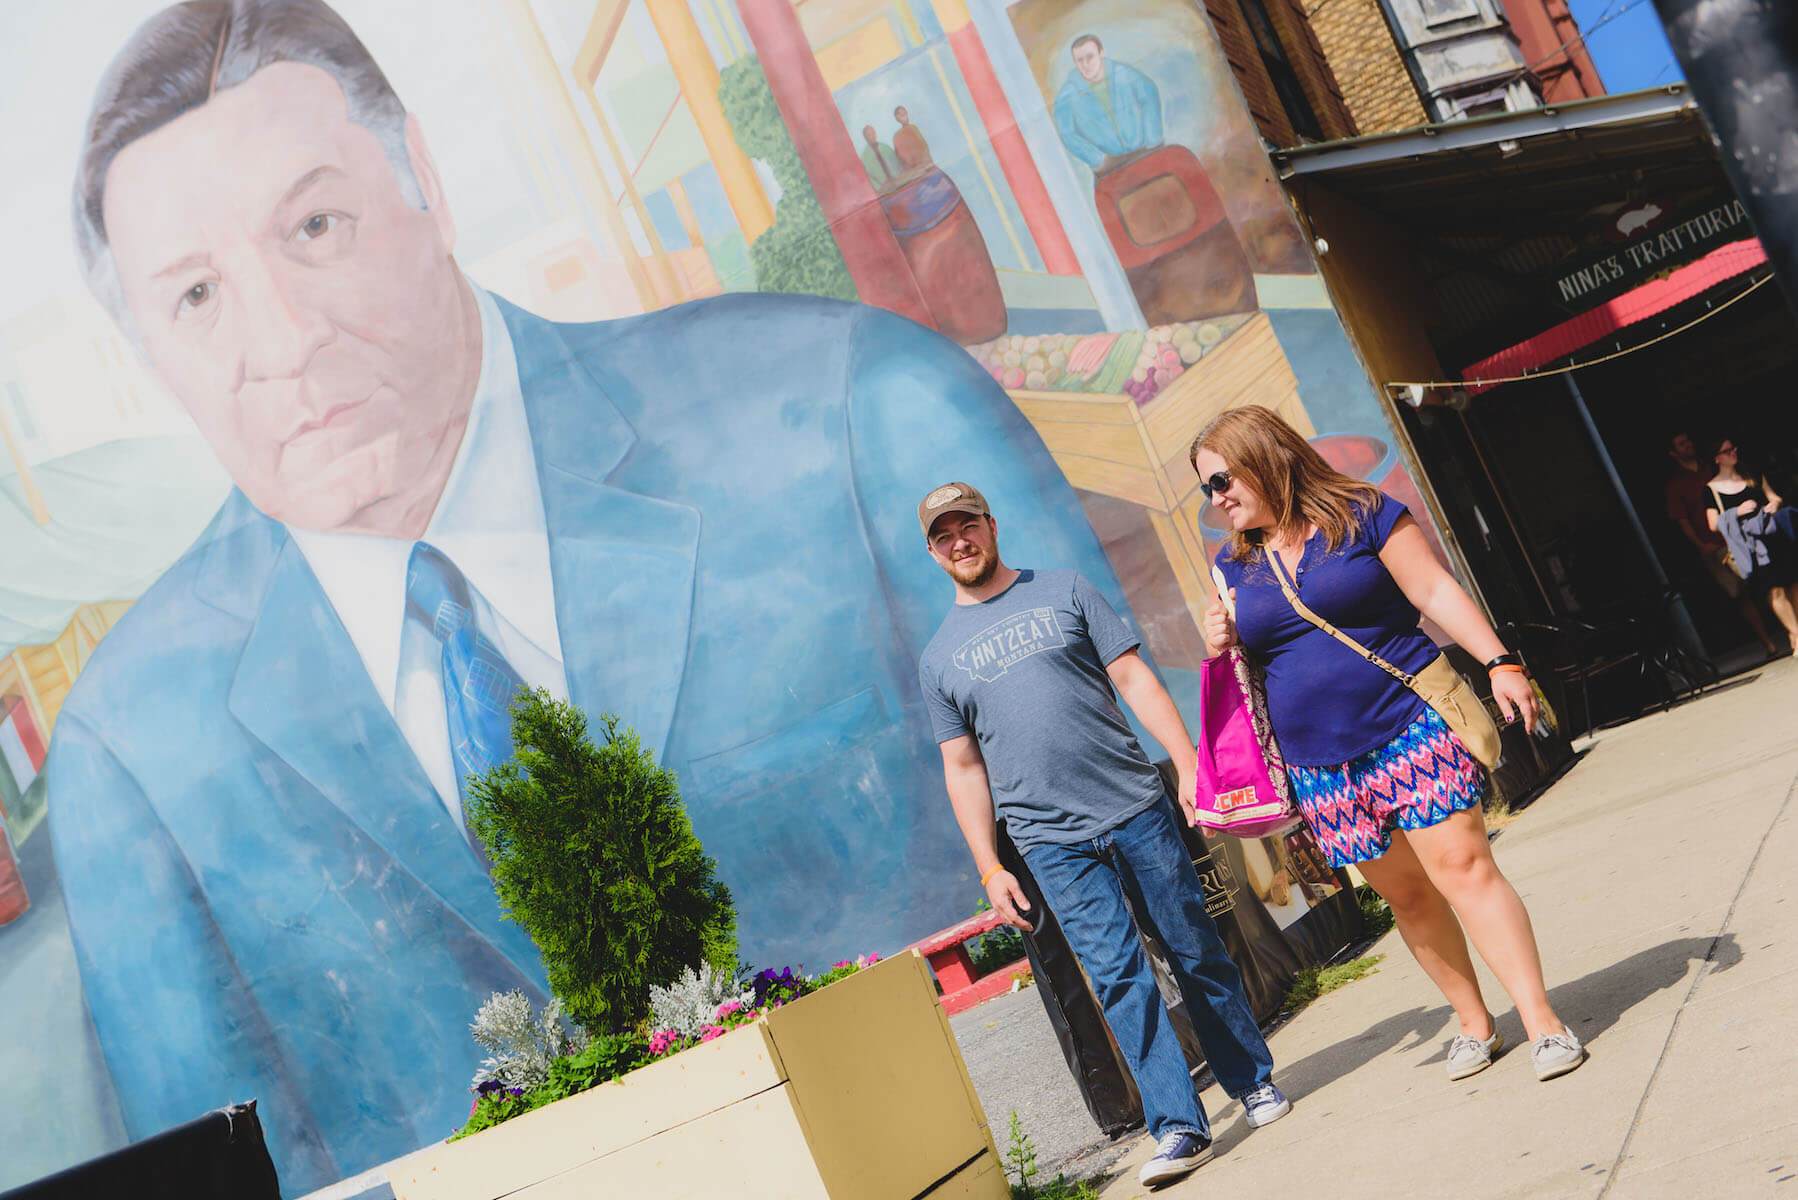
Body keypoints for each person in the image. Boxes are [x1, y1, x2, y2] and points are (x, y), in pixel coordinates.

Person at [47, 0, 1124, 1188]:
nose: (285, 334)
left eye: (314, 225)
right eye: (195, 296)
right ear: (146, 351)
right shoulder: (131, 749)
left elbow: (1128, 850)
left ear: (425, 182)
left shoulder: (851, 413)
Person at [1193, 406, 1588, 1085]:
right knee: (1406, 897)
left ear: (1265, 457)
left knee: (1463, 869)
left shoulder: (1364, 512)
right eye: (1207, 487)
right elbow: (1247, 672)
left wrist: (1499, 661)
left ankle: (1543, 1022)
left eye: (1224, 478)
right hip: (1320, 765)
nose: (1217, 497)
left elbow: (1434, 588)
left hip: (1407, 722)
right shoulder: (1234, 565)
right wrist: (1218, 643)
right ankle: (1474, 1023)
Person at [916, 481, 1289, 1189]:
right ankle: (1179, 1128)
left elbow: (1134, 677)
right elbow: (962, 768)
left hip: (1134, 806)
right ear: (933, 553)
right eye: (944, 536)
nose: (960, 542)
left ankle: (1252, 1081)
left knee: (1193, 949)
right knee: (1120, 980)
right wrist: (991, 867)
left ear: (993, 526)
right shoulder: (940, 658)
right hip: (1049, 843)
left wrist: (1188, 764)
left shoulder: (1064, 589)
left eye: (969, 526)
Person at [1664, 431, 1777, 655]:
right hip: (1715, 545)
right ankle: (1768, 642)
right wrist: (1701, 545)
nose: (1688, 445)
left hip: (1742, 535)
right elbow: (1683, 520)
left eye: (1688, 440)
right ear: (1673, 453)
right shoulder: (1676, 485)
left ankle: (1786, 629)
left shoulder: (1713, 467)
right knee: (1739, 593)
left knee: (1765, 581)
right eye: (1681, 444)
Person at [1704, 437, 1798, 647]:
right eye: (1727, 451)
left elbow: (1774, 497)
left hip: (1774, 536)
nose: (1732, 453)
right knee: (1773, 589)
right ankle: (1796, 635)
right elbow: (1712, 523)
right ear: (1716, 458)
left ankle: (1796, 634)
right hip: (1752, 546)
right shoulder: (1711, 489)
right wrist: (1736, 512)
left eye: (1733, 449)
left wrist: (1774, 504)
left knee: (1793, 584)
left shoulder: (1751, 474)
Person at [1053, 34, 1163, 172]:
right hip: (1109, 166)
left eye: (1090, 57)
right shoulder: (1067, 96)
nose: (1085, 65)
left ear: (1101, 53)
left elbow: (1149, 94)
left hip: (1145, 151)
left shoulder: (1123, 74)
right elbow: (1067, 133)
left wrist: (1153, 140)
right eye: (1080, 60)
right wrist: (1097, 159)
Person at [860, 122, 904, 192]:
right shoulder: (865, 157)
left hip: (897, 181)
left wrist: (899, 176)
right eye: (868, 135)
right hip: (884, 189)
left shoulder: (885, 147)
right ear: (865, 137)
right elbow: (868, 177)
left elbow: (897, 162)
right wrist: (880, 187)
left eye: (872, 133)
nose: (872, 136)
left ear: (875, 134)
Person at [894, 105, 932, 170]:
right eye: (901, 115)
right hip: (916, 170)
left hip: (928, 165)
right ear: (897, 118)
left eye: (905, 114)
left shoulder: (914, 128)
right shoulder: (898, 136)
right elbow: (903, 157)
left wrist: (927, 160)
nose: (905, 117)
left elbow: (924, 145)